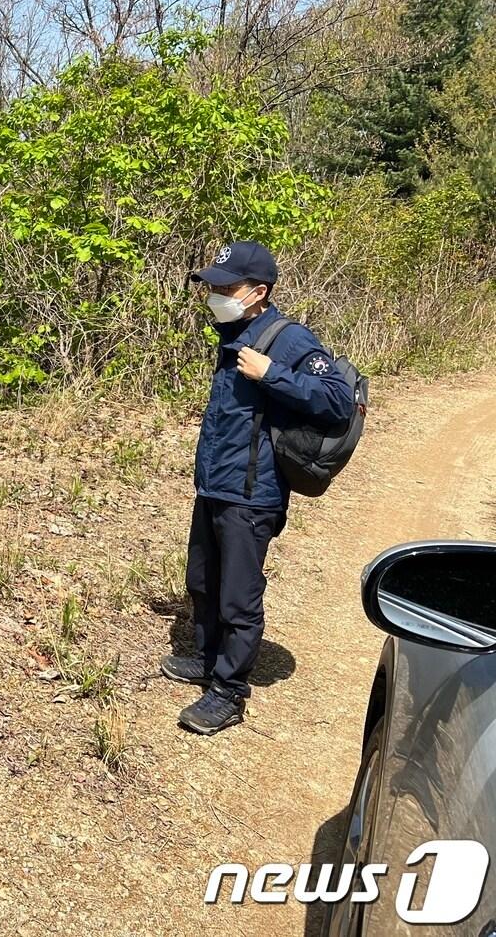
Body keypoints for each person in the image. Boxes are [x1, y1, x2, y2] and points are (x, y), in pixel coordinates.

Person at [163, 241, 353, 735]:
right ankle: (207, 660)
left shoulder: (288, 340)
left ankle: (228, 692)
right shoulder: (233, 330)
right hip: (216, 484)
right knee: (203, 582)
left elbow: (338, 401)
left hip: (253, 493)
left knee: (238, 598)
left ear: (259, 292)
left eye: (227, 288)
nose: (216, 295)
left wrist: (274, 375)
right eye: (213, 287)